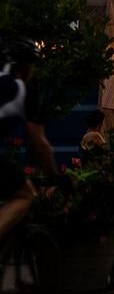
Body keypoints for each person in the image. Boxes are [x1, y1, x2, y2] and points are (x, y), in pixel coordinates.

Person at [0, 41, 57, 245]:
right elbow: (39, 144)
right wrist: (54, 176)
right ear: (26, 67)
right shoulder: (25, 91)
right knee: (25, 194)